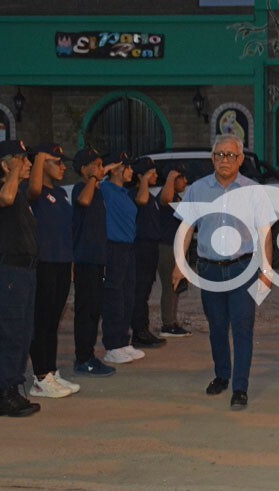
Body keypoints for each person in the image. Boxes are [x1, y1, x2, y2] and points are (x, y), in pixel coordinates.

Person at [173, 134, 275, 409]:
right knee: (217, 327)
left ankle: (240, 387)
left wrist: (267, 270)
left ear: (241, 159)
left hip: (243, 268)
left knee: (242, 328)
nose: (224, 160)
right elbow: (186, 228)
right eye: (219, 155)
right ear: (212, 158)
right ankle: (222, 375)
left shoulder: (254, 191)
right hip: (209, 270)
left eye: (230, 155)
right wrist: (179, 264)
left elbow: (265, 232)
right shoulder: (197, 189)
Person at [0, 140, 41, 417]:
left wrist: (20, 172)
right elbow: (4, 199)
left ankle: (14, 389)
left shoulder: (18, 193)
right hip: (7, 273)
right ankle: (3, 395)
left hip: (23, 272)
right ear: (6, 165)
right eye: (22, 159)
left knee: (22, 333)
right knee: (7, 333)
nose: (28, 163)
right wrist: (13, 174)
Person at [25, 143, 79, 398]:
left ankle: (51, 372)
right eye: (56, 161)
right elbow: (34, 188)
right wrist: (38, 159)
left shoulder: (59, 193)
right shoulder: (30, 191)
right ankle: (40, 377)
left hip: (61, 263)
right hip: (43, 263)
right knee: (41, 321)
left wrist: (70, 265)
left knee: (53, 321)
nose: (63, 166)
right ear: (40, 163)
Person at [71, 148, 116, 377]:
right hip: (85, 260)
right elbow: (83, 201)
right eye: (96, 164)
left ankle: (88, 354)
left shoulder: (96, 190)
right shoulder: (81, 188)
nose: (101, 169)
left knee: (93, 310)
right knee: (86, 311)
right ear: (84, 168)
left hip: (98, 260)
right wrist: (93, 178)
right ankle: (83, 358)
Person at [100, 153, 146, 365]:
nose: (132, 172)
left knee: (128, 295)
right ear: (118, 169)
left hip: (129, 248)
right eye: (127, 168)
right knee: (115, 297)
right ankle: (112, 344)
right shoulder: (106, 189)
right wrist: (108, 167)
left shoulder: (124, 193)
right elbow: (94, 179)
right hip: (114, 248)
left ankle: (123, 341)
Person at [127, 157, 167, 348]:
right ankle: (139, 331)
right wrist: (143, 178)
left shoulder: (150, 195)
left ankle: (142, 329)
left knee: (145, 290)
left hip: (151, 247)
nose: (156, 176)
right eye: (152, 173)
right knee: (139, 291)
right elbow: (140, 200)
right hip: (140, 247)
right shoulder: (136, 193)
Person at [157, 166, 192, 337]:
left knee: (176, 287)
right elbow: (165, 199)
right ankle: (168, 324)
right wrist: (171, 176)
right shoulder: (166, 196)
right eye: (182, 178)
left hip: (176, 246)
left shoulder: (177, 197)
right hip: (167, 247)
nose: (185, 181)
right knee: (170, 286)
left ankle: (172, 321)